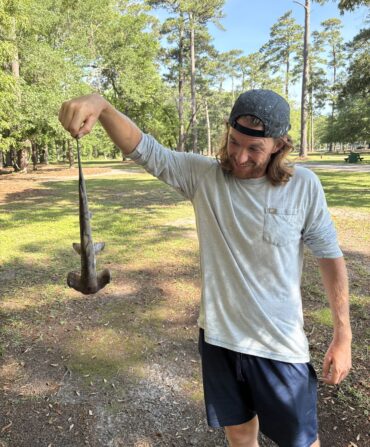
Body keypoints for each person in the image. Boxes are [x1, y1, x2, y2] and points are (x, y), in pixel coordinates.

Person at [59, 89, 352, 447]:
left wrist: (343, 336)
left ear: (279, 145)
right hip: (219, 339)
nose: (240, 156)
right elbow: (144, 149)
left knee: (300, 442)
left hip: (279, 346)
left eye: (254, 149)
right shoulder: (204, 177)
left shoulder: (303, 186)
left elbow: (330, 259)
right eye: (234, 142)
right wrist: (101, 106)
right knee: (241, 435)